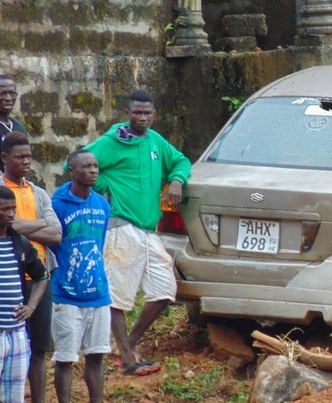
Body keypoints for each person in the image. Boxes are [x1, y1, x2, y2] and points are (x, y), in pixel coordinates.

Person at [83, 89, 191, 376]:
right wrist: (103, 184)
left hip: (148, 230)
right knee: (117, 296)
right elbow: (77, 162)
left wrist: (177, 180)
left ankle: (127, 345)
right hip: (122, 227)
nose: (143, 118)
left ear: (154, 114)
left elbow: (181, 161)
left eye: (148, 113)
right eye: (137, 113)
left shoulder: (155, 141)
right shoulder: (113, 141)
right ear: (127, 113)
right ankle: (128, 359)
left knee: (165, 290)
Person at [1, 131, 61, 403]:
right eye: (20, 157)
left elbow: (56, 233)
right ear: (5, 158)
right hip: (9, 279)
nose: (26, 161)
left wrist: (20, 227)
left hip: (37, 277)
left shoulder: (38, 193)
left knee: (39, 348)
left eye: (29, 156)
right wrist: (40, 224)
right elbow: (10, 227)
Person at [50, 150, 112, 402]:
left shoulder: (102, 204)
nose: (93, 170)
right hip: (66, 295)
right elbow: (53, 245)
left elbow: (100, 243)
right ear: (72, 171)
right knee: (65, 359)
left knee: (96, 356)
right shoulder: (57, 205)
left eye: (95, 166)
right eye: (86, 166)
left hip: (98, 294)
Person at [0, 185, 49, 402]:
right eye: (5, 209)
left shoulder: (20, 242)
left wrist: (31, 307)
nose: (11, 214)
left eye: (13, 208)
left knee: (14, 395)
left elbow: (41, 276)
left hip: (17, 333)